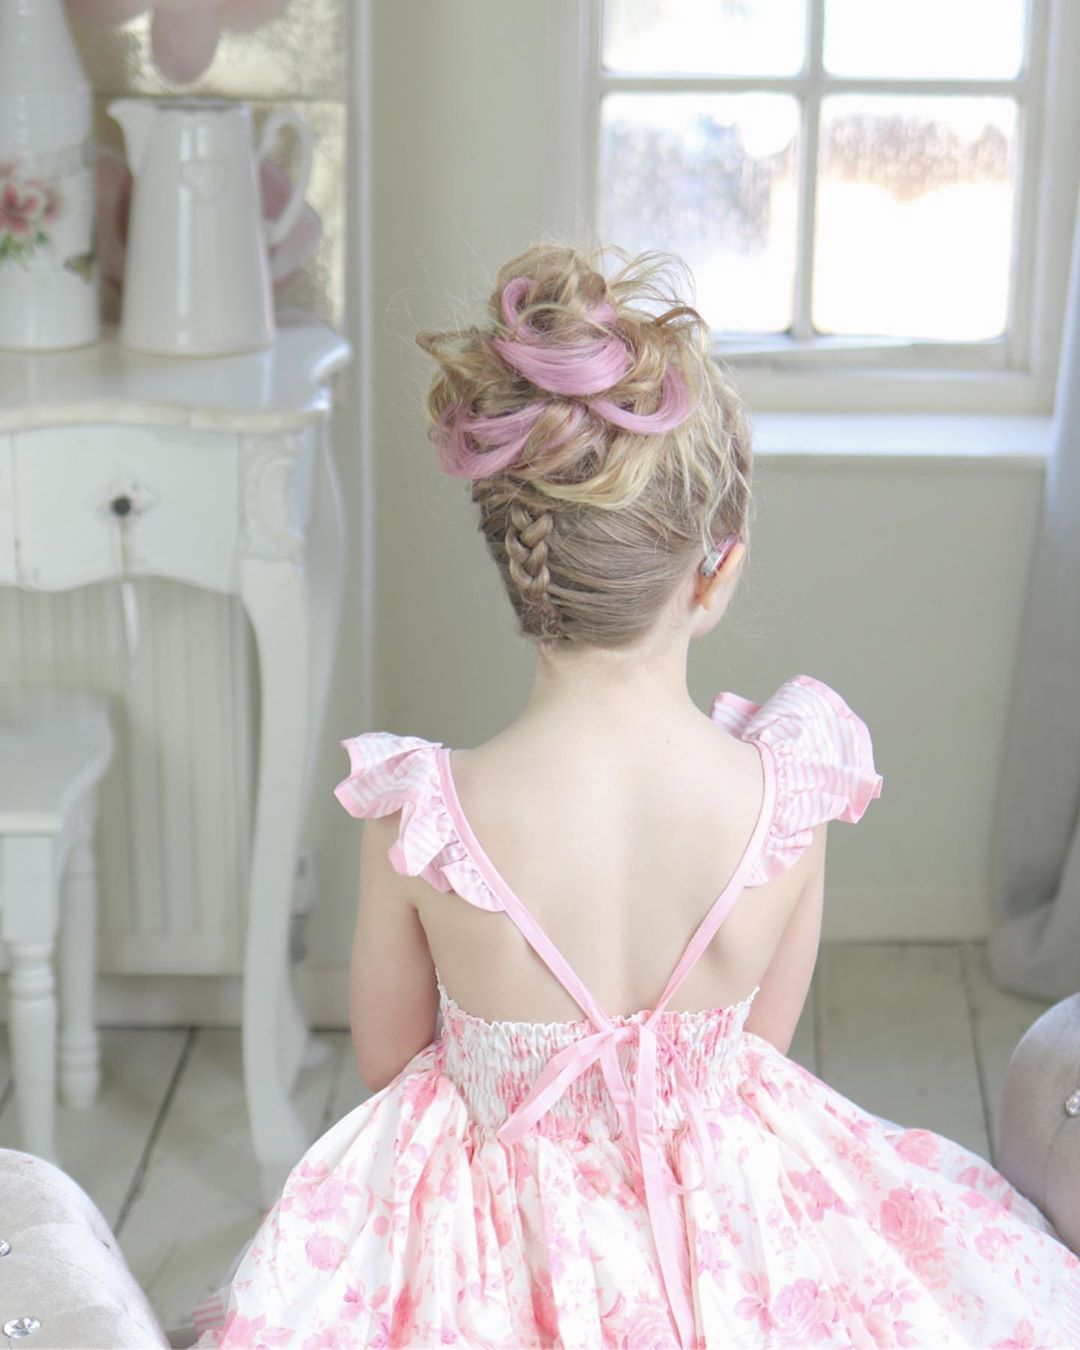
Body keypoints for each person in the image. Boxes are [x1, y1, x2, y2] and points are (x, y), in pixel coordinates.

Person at [194, 244, 1080, 1348]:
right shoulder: (784, 799)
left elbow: (390, 1067)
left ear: (519, 567)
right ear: (716, 572)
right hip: (725, 1235)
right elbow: (760, 1049)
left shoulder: (423, 820)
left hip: (488, 1248)